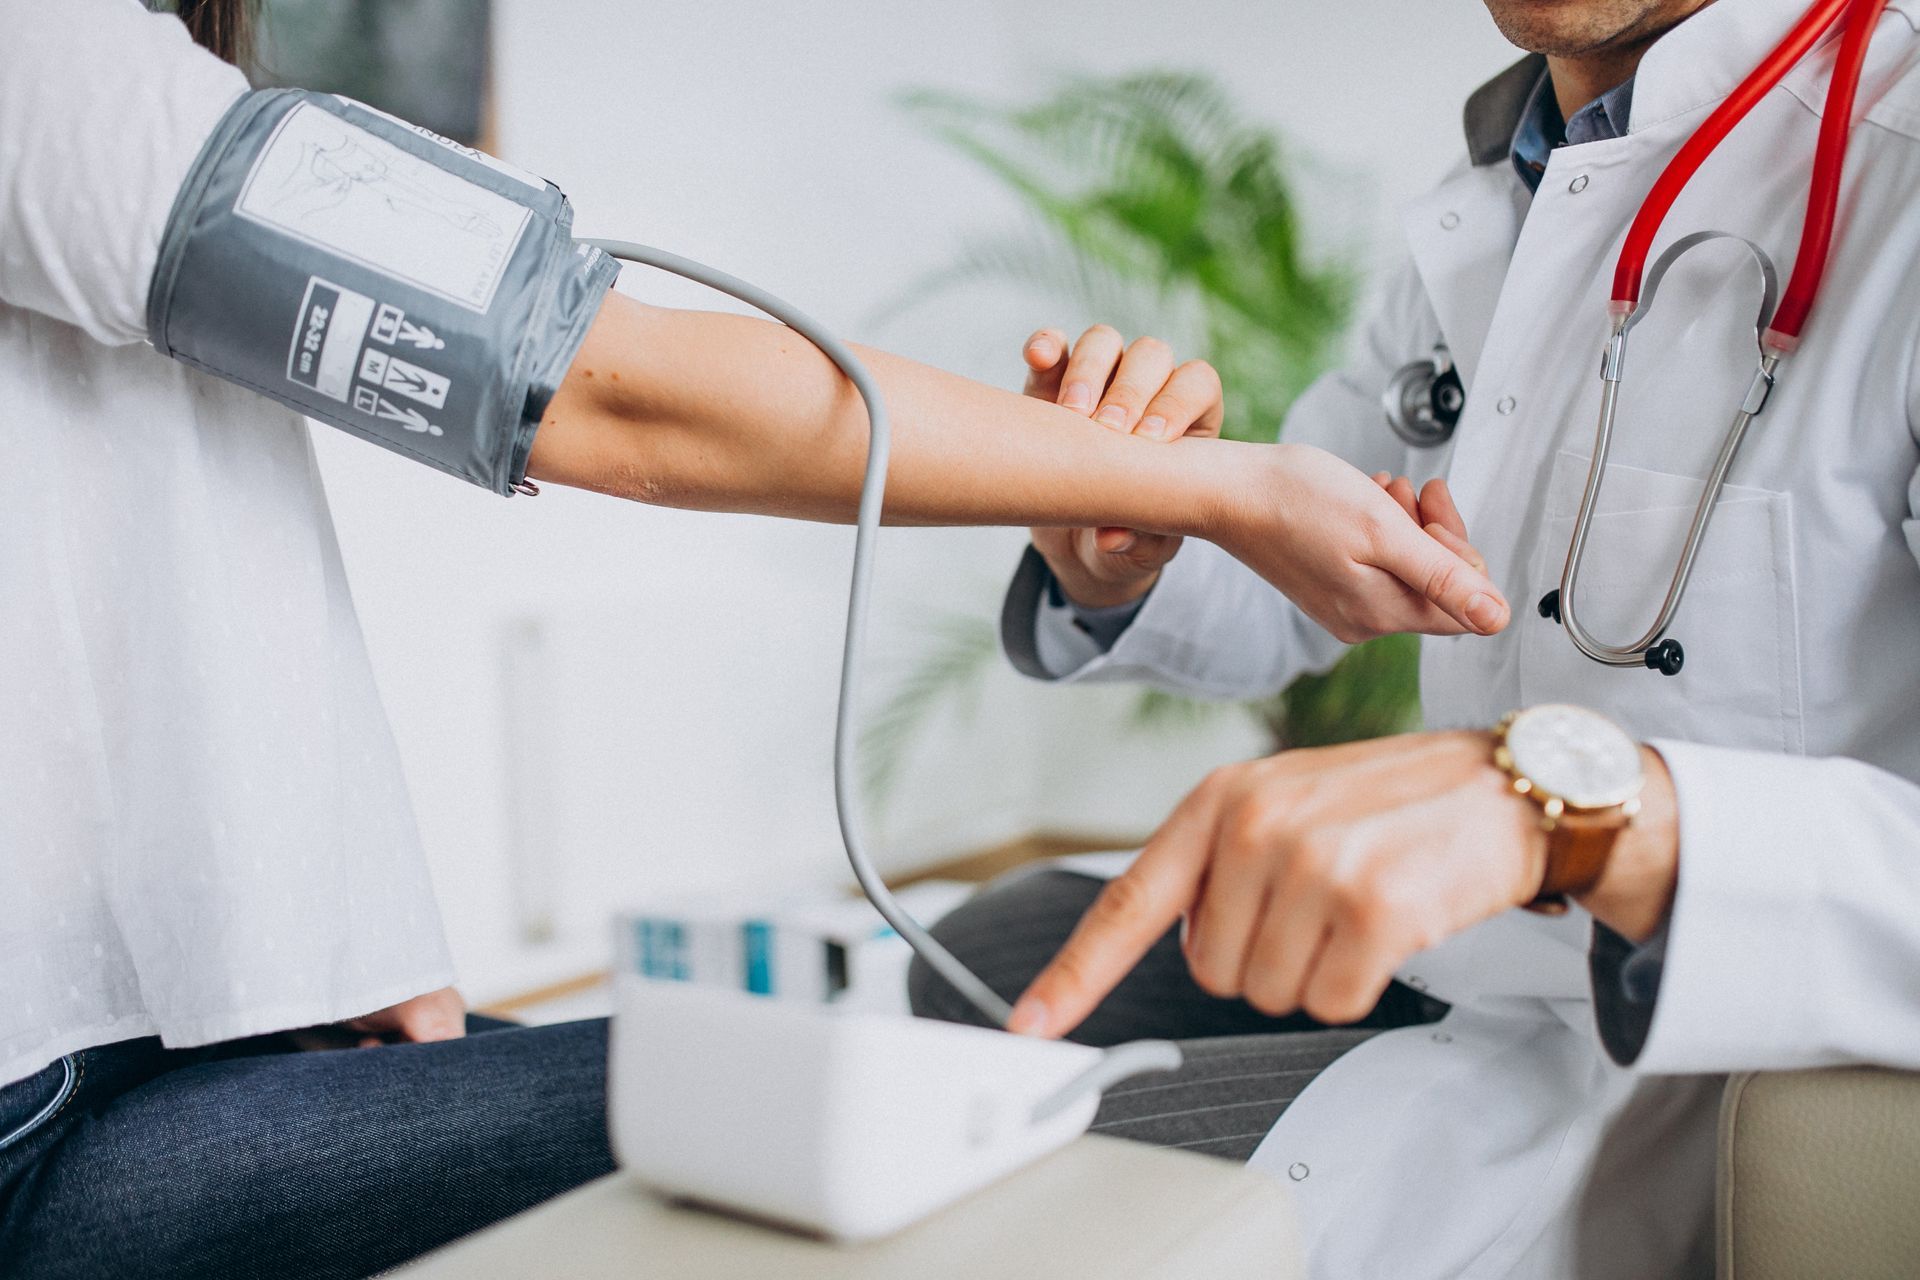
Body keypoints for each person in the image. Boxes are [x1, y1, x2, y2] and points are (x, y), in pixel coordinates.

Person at [0, 2, 1512, 1277]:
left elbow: (125, 565)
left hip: (155, 1023)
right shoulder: (44, 64)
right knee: (862, 1097)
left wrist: (308, 934)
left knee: (925, 1028)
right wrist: (1209, 489)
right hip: (43, 1116)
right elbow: (612, 390)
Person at [912, 0, 1920, 1275]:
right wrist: (1125, 535)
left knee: (995, 1202)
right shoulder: (1515, 181)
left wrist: (1590, 817)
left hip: (1693, 1021)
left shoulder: (1899, 164)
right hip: (1476, 946)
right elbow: (1299, 583)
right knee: (981, 952)